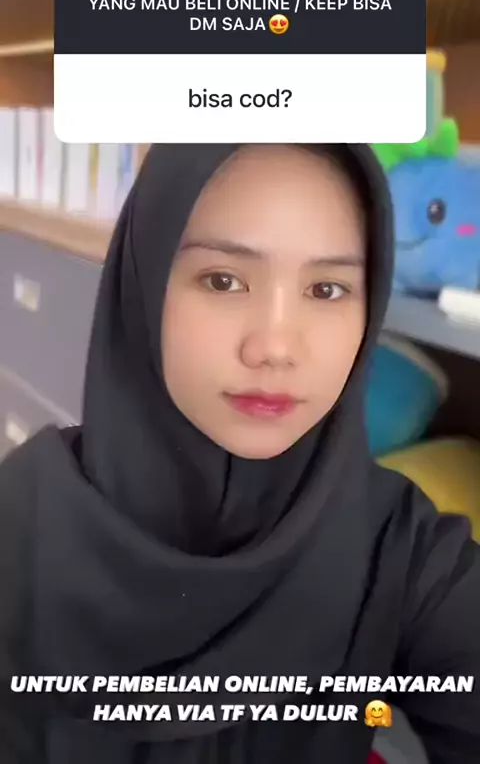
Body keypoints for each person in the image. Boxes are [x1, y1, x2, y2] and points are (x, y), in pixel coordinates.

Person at [0, 143, 479, 764]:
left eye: (327, 289)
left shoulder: (401, 545)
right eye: (223, 280)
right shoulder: (21, 520)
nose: (275, 346)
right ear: (145, 284)